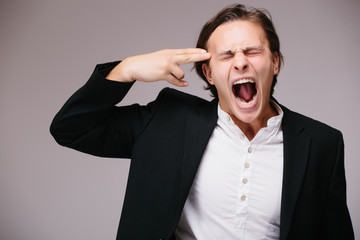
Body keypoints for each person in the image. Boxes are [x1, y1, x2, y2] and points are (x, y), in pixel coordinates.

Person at [50, 4, 354, 240]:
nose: (240, 61)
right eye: (226, 55)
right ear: (208, 74)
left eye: (252, 51)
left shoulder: (322, 143)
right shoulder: (167, 120)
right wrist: (126, 68)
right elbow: (71, 127)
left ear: (274, 62)